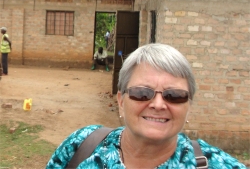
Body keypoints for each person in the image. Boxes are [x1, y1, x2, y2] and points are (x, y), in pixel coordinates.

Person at [46, 43, 247, 168]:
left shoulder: (217, 165)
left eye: (174, 96)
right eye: (142, 93)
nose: (158, 104)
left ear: (189, 106)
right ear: (121, 101)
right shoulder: (82, 146)